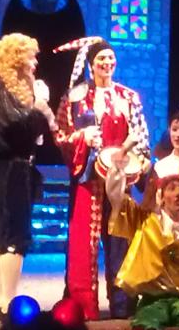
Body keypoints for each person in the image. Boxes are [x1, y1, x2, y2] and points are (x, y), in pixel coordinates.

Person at [52, 37, 152, 320]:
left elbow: (141, 135)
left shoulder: (129, 97)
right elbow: (60, 135)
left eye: (110, 58)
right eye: (101, 59)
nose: (107, 63)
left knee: (120, 239)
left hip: (120, 180)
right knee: (84, 243)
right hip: (88, 180)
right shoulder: (75, 98)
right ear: (91, 64)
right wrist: (81, 137)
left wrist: (138, 159)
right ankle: (82, 304)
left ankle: (123, 303)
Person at [0, 33, 57, 320]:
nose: (35, 63)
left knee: (4, 234)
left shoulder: (1, 92)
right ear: (17, 60)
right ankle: (7, 302)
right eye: (31, 57)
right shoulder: (0, 93)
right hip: (10, 168)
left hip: (9, 166)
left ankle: (2, 300)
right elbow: (19, 128)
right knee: (13, 235)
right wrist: (39, 107)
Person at [106, 146, 179, 330]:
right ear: (162, 196)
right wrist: (117, 169)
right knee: (146, 325)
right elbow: (117, 198)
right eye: (172, 189)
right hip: (154, 301)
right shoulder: (145, 222)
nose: (178, 195)